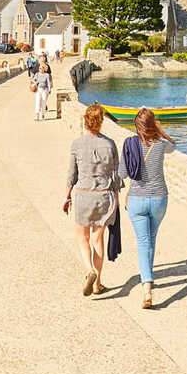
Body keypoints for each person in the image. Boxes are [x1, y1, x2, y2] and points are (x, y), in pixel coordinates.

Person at [64, 102, 121, 296]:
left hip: (83, 195)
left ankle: (89, 270)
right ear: (100, 122)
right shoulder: (110, 144)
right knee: (98, 239)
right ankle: (97, 284)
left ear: (85, 121)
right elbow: (116, 175)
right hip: (104, 196)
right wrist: (116, 196)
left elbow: (72, 174)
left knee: (82, 237)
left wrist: (66, 196)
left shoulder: (77, 144)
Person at [123, 107, 175, 308]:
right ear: (153, 125)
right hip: (159, 198)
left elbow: (123, 173)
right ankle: (148, 277)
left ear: (136, 125)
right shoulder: (161, 146)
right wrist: (160, 131)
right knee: (150, 240)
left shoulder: (130, 144)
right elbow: (175, 145)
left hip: (137, 198)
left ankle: (147, 288)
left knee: (144, 242)